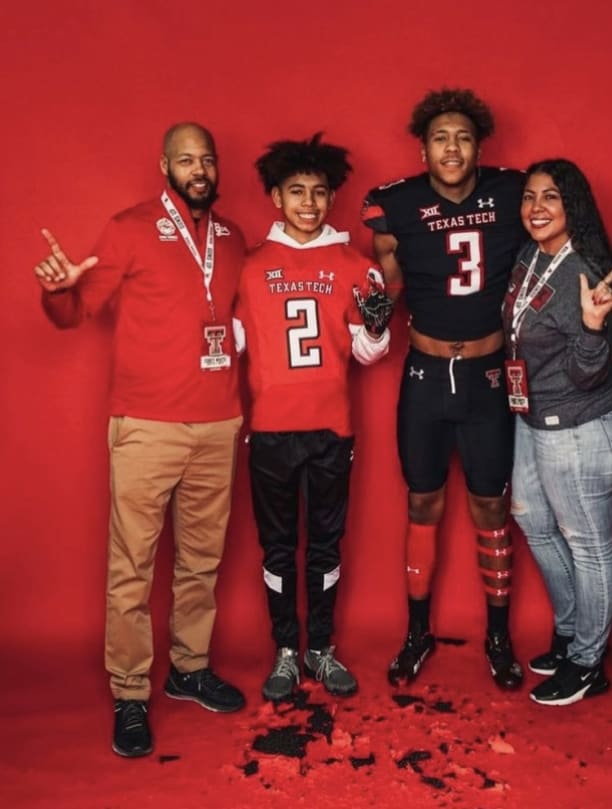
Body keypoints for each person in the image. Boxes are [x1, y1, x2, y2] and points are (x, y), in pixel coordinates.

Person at [33, 123, 247, 757]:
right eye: (185, 159)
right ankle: (130, 693)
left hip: (218, 423)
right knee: (132, 566)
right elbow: (76, 314)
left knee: (201, 562)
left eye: (206, 158)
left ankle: (189, 667)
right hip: (147, 426)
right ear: (164, 165)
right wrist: (57, 291)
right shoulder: (128, 228)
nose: (198, 168)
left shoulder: (234, 237)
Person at [362, 87, 526, 690]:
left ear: (479, 143)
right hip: (427, 376)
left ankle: (499, 636)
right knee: (422, 503)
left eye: (462, 136)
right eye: (439, 137)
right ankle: (417, 633)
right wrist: (363, 314)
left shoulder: (513, 192)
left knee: (491, 506)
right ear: (423, 148)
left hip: (487, 377)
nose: (451, 147)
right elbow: (386, 287)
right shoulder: (394, 205)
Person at [235, 133, 392, 702]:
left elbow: (371, 354)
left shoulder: (355, 264)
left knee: (326, 546)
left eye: (319, 193)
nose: (308, 203)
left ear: (331, 199)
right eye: (296, 192)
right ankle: (284, 649)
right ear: (276, 197)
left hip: (331, 429)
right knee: (277, 550)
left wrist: (376, 325)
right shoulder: (247, 266)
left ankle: (320, 648)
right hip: (272, 431)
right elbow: (227, 343)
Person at [502, 158, 612, 705]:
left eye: (551, 197)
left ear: (571, 206)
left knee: (587, 544)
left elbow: (586, 372)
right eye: (530, 196)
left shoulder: (582, 269)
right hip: (534, 415)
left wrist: (593, 325)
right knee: (531, 519)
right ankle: (574, 629)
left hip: (581, 423)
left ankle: (588, 662)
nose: (536, 208)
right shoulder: (533, 255)